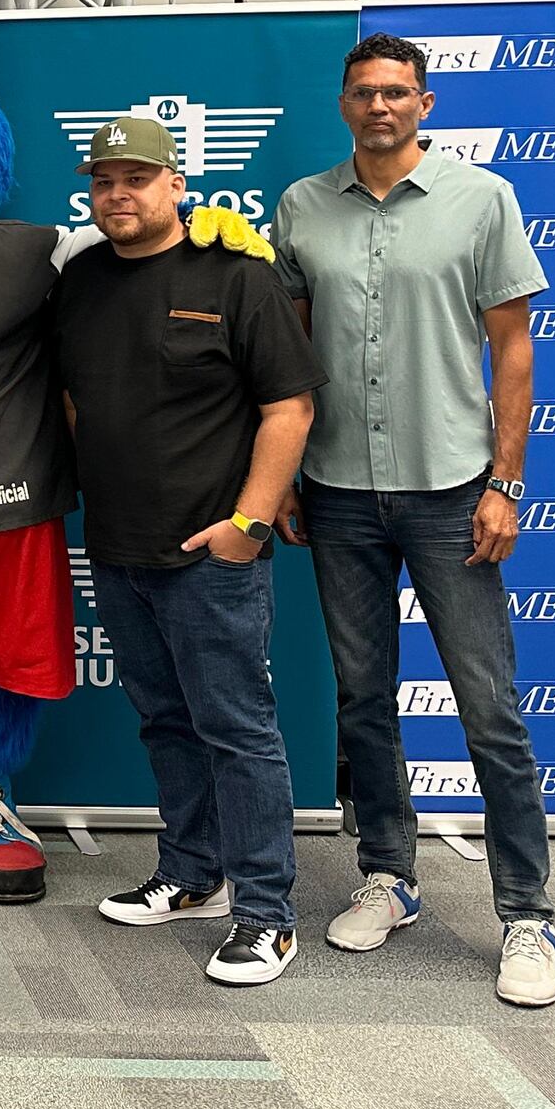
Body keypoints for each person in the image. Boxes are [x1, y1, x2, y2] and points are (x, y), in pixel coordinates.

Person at [273, 31, 555, 1007]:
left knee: (490, 712)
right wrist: (279, 480)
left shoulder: (483, 201)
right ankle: (387, 878)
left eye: (397, 91)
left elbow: (512, 353)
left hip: (452, 493)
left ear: (425, 104)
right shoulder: (302, 208)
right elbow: (289, 356)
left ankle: (525, 915)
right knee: (362, 702)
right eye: (363, 92)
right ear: (344, 104)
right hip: (339, 492)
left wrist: (504, 484)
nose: (380, 106)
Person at [55, 117, 322, 987]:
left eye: (138, 178)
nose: (119, 195)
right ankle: (193, 873)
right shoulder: (83, 279)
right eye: (105, 181)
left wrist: (247, 525)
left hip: (213, 555)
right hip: (118, 548)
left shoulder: (237, 276)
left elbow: (290, 409)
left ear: (177, 185)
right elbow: (72, 398)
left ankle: (267, 914)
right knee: (167, 721)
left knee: (238, 731)